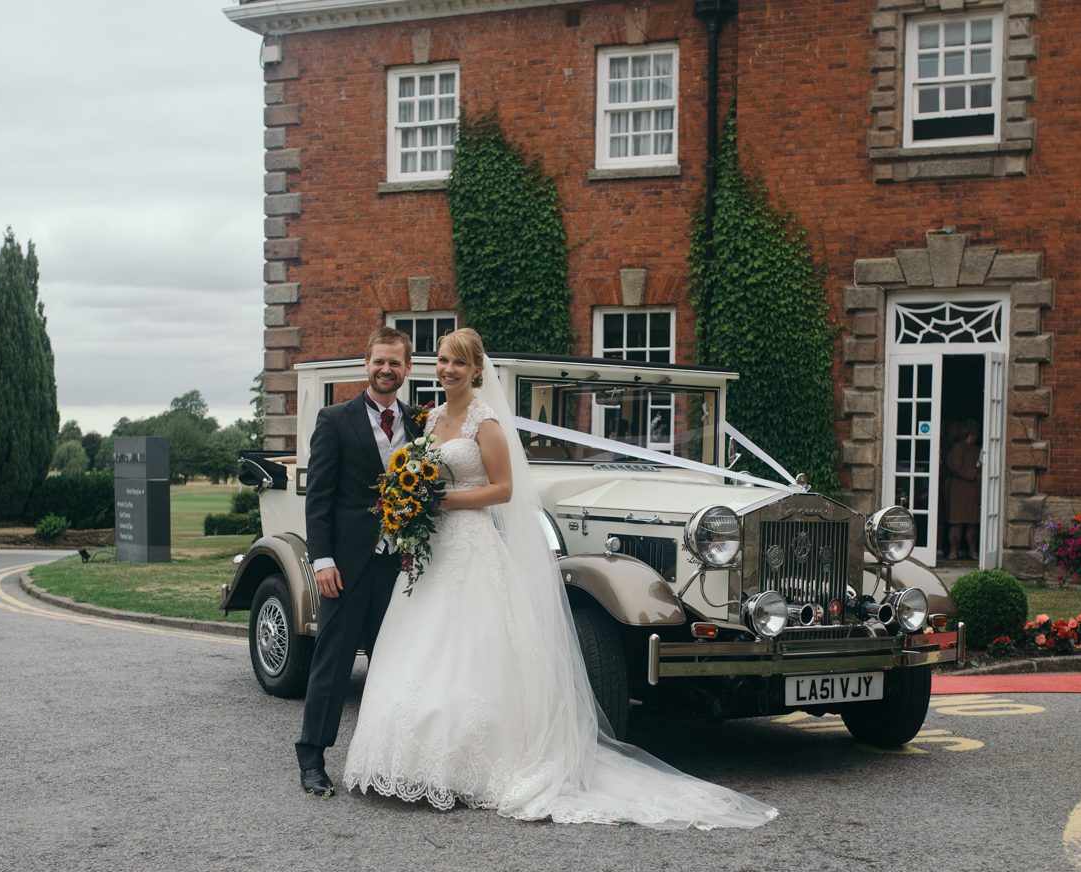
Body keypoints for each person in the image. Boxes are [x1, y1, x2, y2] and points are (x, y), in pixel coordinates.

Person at [343, 329, 777, 830]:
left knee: (475, 649)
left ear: (477, 370)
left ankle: (478, 766)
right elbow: (415, 474)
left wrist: (440, 500)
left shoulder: (486, 423)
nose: (449, 370)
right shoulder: (432, 419)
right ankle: (411, 762)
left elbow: (504, 490)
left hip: (472, 544)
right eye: (442, 361)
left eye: (459, 363)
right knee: (421, 648)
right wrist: (411, 502)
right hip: (434, 551)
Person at [296, 327, 422, 797]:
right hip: (345, 567)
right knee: (331, 665)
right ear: (365, 364)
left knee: (394, 666)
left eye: (396, 362)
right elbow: (319, 498)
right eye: (379, 361)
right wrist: (322, 560)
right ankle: (312, 759)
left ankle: (389, 762)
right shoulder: (334, 419)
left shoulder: (421, 424)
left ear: (407, 369)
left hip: (400, 568)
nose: (386, 369)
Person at [945, 420, 982, 562]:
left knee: (972, 522)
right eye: (976, 432)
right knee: (957, 522)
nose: (978, 435)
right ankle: (953, 551)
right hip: (958, 492)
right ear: (971, 433)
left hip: (972, 492)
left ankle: (973, 550)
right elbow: (955, 466)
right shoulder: (959, 447)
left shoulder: (976, 448)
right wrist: (974, 473)